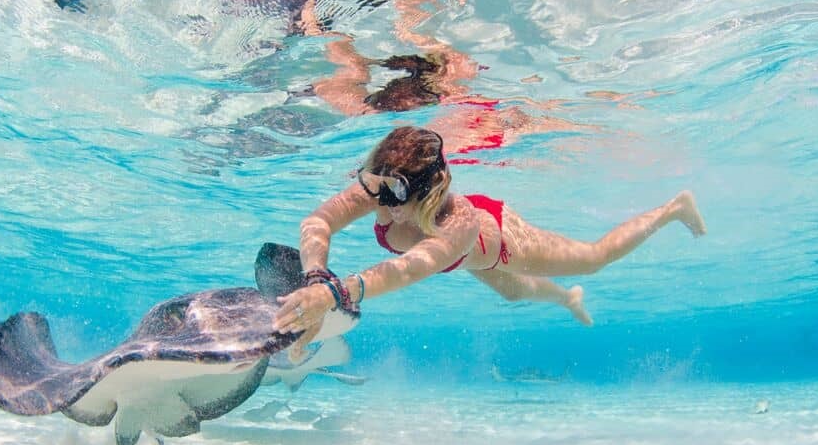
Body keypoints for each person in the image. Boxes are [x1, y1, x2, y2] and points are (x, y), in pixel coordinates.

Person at [271, 125, 706, 353]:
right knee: (515, 294)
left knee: (593, 258)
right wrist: (315, 279)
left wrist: (335, 296)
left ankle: (674, 208)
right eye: (374, 184)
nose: (379, 201)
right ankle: (568, 300)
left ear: (424, 194)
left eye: (394, 193)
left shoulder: (457, 226)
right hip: (470, 259)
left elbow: (409, 270)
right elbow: (319, 220)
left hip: (497, 242)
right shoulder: (381, 187)